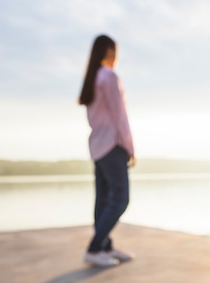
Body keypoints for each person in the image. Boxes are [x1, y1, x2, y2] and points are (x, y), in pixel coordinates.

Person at [79, 34, 135, 267]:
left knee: (103, 201)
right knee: (120, 200)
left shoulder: (91, 80)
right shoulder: (109, 77)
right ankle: (94, 248)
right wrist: (129, 147)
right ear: (110, 52)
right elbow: (119, 116)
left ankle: (105, 246)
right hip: (113, 145)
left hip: (96, 146)